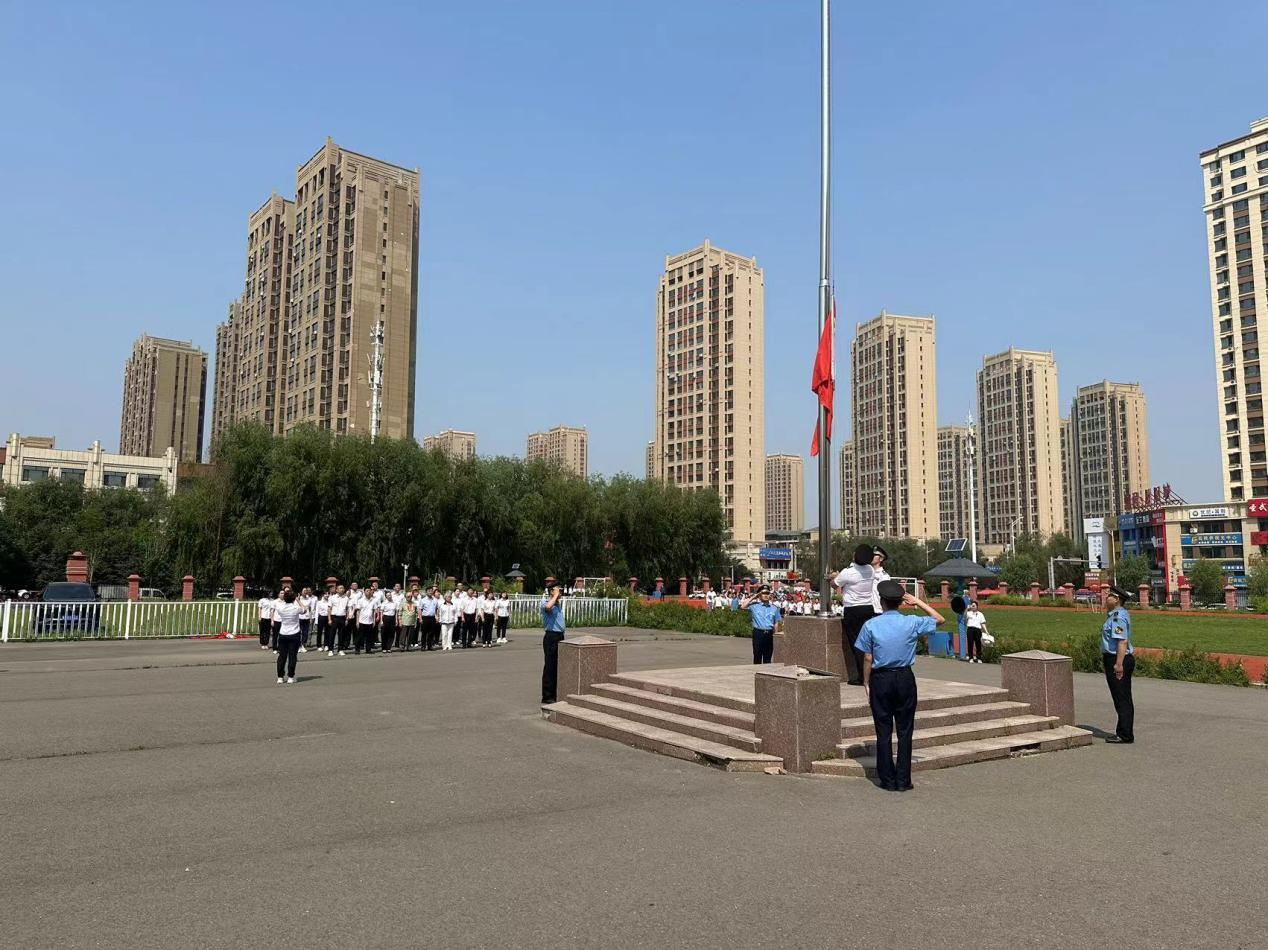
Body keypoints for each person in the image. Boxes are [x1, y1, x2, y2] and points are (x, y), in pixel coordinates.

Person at [855, 580, 945, 792]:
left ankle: (887, 779)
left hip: (881, 679)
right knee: (905, 730)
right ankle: (903, 779)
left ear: (881, 601)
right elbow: (939, 619)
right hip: (904, 677)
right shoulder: (911, 622)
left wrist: (866, 681)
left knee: (883, 729)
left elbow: (867, 657)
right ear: (900, 602)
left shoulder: (870, 625)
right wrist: (918, 602)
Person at [833, 544, 881, 686]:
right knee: (868, 641)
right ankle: (873, 672)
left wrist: (833, 577)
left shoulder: (848, 572)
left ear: (856, 556)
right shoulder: (870, 570)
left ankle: (862, 676)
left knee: (857, 643)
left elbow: (835, 584)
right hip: (868, 608)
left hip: (853, 610)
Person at [1101, 587, 1135, 744]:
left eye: (1110, 595)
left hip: (1118, 659)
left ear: (1117, 600)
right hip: (1117, 658)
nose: (1106, 597)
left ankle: (1125, 734)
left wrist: (1118, 664)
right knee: (1122, 697)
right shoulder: (1116, 615)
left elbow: (1122, 641)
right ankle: (1123, 731)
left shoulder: (1117, 617)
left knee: (1122, 698)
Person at [740, 587, 782, 664]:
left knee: (767, 658)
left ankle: (766, 671)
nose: (766, 595)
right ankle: (757, 670)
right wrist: (753, 597)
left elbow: (776, 623)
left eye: (767, 593)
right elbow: (742, 606)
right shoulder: (754, 606)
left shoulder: (774, 608)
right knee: (757, 656)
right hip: (758, 633)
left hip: (769, 634)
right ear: (759, 595)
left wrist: (776, 635)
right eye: (763, 593)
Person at [541, 583, 566, 704]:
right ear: (551, 592)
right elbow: (547, 608)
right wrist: (555, 596)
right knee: (550, 666)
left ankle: (555, 693)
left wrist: (556, 597)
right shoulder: (545, 602)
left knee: (557, 666)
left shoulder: (557, 604)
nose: (560, 593)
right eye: (557, 590)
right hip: (551, 637)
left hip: (559, 636)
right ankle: (547, 696)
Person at [274, 588, 303, 685]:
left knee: (282, 656)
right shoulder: (296, 608)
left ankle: (280, 677)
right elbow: (305, 610)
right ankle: (291, 677)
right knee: (292, 656)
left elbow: (280, 609)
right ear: (294, 598)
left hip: (283, 633)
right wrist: (298, 600)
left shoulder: (280, 608)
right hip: (294, 634)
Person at [328, 584, 349, 656]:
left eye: (343, 588)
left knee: (342, 634)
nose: (342, 589)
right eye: (340, 588)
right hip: (334, 617)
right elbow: (329, 609)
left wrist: (347, 619)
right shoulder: (332, 598)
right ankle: (330, 650)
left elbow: (347, 609)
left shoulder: (346, 598)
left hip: (342, 617)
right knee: (332, 634)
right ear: (336, 590)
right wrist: (329, 619)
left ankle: (340, 649)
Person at [379, 584, 400, 654]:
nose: (389, 596)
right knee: (384, 634)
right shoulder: (384, 603)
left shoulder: (394, 603)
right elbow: (381, 612)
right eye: (388, 595)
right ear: (386, 596)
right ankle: (384, 648)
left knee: (391, 634)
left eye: (390, 595)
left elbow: (396, 612)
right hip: (385, 618)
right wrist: (381, 621)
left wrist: (396, 620)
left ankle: (389, 647)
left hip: (392, 618)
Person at [297, 587, 314, 653]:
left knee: (305, 632)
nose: (305, 591)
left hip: (307, 617)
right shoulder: (298, 599)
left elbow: (310, 609)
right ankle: (298, 646)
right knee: (299, 632)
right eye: (304, 590)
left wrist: (310, 617)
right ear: (301, 592)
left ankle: (303, 645)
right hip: (299, 617)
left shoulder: (309, 599)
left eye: (306, 591)